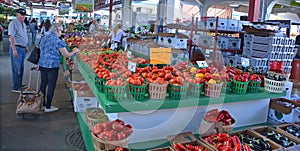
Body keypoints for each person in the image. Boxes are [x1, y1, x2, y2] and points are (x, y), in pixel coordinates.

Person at [38, 23, 80, 112]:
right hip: (52, 65)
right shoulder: (58, 41)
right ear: (57, 30)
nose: (61, 33)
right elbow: (66, 54)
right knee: (51, 85)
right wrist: (75, 51)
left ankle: (41, 104)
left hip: (42, 64)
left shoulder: (43, 38)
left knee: (43, 84)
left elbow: (40, 50)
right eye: (61, 31)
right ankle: (48, 107)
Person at [8, 8, 29, 93]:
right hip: (17, 48)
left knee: (21, 68)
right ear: (17, 14)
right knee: (16, 68)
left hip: (22, 48)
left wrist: (26, 45)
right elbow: (11, 37)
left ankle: (19, 84)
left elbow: (24, 35)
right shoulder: (13, 24)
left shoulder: (23, 23)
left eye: (24, 15)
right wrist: (14, 50)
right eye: (21, 15)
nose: (23, 17)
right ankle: (16, 87)